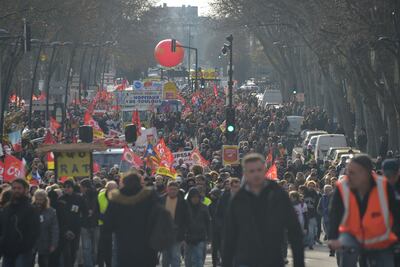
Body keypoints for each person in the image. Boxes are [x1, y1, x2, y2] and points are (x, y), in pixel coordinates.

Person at [222, 153, 304, 267]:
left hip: (272, 259)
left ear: (264, 170)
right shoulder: (238, 199)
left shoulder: (277, 194)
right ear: (245, 173)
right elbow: (229, 235)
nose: (256, 174)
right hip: (245, 260)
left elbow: (294, 230)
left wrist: (299, 263)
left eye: (259, 170)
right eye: (251, 171)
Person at [328, 155, 400, 267]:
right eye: (348, 172)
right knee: (347, 252)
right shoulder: (342, 186)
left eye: (352, 172)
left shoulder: (384, 185)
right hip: (352, 234)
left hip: (380, 236)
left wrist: (396, 236)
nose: (348, 176)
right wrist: (333, 238)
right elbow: (334, 213)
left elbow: (396, 212)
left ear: (365, 173)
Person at [103, 172, 158, 267]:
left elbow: (108, 223)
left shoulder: (117, 197)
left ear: (123, 182)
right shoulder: (150, 195)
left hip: (124, 244)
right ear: (140, 182)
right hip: (146, 245)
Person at [1, 179, 40, 267]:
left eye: (19, 188)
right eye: (14, 188)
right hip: (7, 250)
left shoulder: (31, 209)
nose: (16, 190)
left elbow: (35, 231)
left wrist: (28, 247)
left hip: (23, 251)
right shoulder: (7, 208)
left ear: (26, 190)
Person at [57, 179, 87, 267]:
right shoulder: (60, 199)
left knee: (74, 251)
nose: (66, 189)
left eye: (68, 187)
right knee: (66, 252)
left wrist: (80, 223)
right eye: (64, 187)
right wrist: (64, 230)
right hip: (63, 229)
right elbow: (58, 216)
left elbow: (85, 212)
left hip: (75, 229)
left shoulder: (79, 198)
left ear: (72, 188)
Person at [161, 180, 190, 267]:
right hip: (164, 233)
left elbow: (186, 219)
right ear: (167, 189)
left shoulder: (183, 202)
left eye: (175, 189)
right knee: (165, 257)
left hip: (177, 233)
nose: (173, 191)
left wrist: (185, 234)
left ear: (178, 190)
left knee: (175, 256)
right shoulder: (161, 200)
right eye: (171, 189)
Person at [32, 189, 59, 267]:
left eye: (41, 200)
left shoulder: (51, 212)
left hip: (45, 244)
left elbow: (55, 229)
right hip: (31, 244)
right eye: (37, 199)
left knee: (44, 263)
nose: (39, 202)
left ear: (45, 200)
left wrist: (53, 244)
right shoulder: (30, 210)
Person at [185, 187, 210, 267]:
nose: (195, 199)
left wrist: (209, 236)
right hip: (187, 237)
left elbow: (208, 222)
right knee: (188, 260)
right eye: (193, 197)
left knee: (199, 258)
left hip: (200, 237)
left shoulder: (204, 207)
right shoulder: (185, 207)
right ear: (190, 198)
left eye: (197, 197)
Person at [98, 181, 118, 267]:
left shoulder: (119, 197)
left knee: (113, 249)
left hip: (115, 227)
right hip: (103, 226)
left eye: (115, 189)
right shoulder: (100, 196)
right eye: (111, 189)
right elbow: (96, 211)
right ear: (107, 189)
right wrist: (104, 218)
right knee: (103, 249)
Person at [80, 178, 99, 267]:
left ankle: (89, 265)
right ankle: (95, 263)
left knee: (86, 248)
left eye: (81, 187)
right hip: (96, 223)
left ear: (85, 187)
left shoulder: (81, 197)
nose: (80, 189)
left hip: (85, 224)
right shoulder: (98, 194)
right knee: (95, 247)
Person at [317, 185, 334, 256]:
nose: (327, 190)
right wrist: (322, 214)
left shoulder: (335, 197)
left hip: (334, 219)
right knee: (329, 235)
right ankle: (332, 249)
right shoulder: (322, 198)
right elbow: (318, 208)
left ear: (332, 190)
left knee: (332, 235)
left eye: (329, 189)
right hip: (325, 219)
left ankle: (332, 250)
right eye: (326, 189)